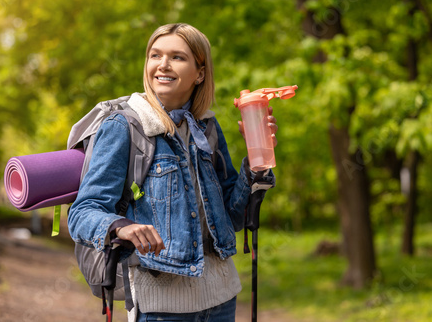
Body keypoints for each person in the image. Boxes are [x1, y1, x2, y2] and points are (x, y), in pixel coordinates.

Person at [68, 23, 277, 322]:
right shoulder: (125, 126)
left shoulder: (207, 127)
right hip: (161, 309)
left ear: (200, 72)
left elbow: (232, 217)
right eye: (155, 55)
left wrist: (256, 164)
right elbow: (83, 211)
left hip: (222, 300)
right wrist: (120, 226)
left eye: (177, 57)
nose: (162, 65)